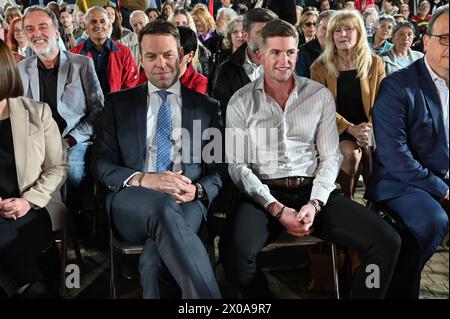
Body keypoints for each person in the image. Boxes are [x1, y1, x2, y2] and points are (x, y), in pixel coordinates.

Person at [220, 19, 400, 299]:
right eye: (276, 53)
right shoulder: (240, 102)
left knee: (386, 240)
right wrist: (277, 209)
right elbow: (237, 166)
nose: (284, 60)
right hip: (263, 196)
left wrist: (315, 203)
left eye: (290, 52)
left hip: (315, 192)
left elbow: (330, 157)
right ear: (260, 55)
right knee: (235, 258)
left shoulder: (319, 96)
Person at [92, 19, 224, 299]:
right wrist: (144, 179)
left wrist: (197, 190)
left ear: (182, 56)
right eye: (151, 56)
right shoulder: (118, 103)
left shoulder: (206, 107)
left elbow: (218, 170)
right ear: (140, 59)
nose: (160, 63)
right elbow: (100, 163)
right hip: (131, 200)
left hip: (186, 200)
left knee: (154, 261)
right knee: (163, 207)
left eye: (168, 55)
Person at [366, 4, 449, 299]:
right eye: (445, 38)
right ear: (425, 41)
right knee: (431, 222)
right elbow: (394, 154)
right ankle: (394, 288)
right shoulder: (398, 86)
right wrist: (442, 188)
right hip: (402, 181)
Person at [17, 5, 104, 223]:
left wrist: (71, 139)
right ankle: (41, 225)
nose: (36, 33)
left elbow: (98, 110)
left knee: (73, 174)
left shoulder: (82, 64)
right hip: (36, 142)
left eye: (42, 27)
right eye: (30, 29)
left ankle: (75, 222)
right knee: (24, 177)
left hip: (73, 138)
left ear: (56, 31)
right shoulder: (21, 68)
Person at [0, 39, 68, 299]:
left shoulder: (37, 114)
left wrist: (28, 201)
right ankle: (31, 286)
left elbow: (58, 167)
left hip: (30, 209)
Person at [311, 10, 385, 199]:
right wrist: (350, 128)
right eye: (337, 30)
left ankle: (375, 202)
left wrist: (369, 130)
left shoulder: (375, 63)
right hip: (335, 129)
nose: (343, 34)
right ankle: (348, 198)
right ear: (331, 36)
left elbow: (384, 102)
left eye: (349, 29)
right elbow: (320, 108)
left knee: (373, 153)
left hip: (370, 128)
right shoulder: (319, 68)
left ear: (359, 33)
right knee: (351, 155)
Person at [212, 8, 278, 116]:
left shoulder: (284, 66)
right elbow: (224, 113)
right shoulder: (226, 70)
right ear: (246, 35)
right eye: (261, 33)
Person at [70, 6, 138, 94]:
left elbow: (131, 83)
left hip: (116, 104)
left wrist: (120, 104)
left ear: (109, 26)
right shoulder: (74, 53)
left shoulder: (124, 52)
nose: (98, 25)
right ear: (86, 27)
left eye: (103, 21)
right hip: (85, 106)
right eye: (93, 22)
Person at [296, 9, 336, 77]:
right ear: (316, 30)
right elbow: (302, 81)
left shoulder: (344, 51)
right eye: (324, 28)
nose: (328, 33)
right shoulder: (303, 51)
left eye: (332, 29)